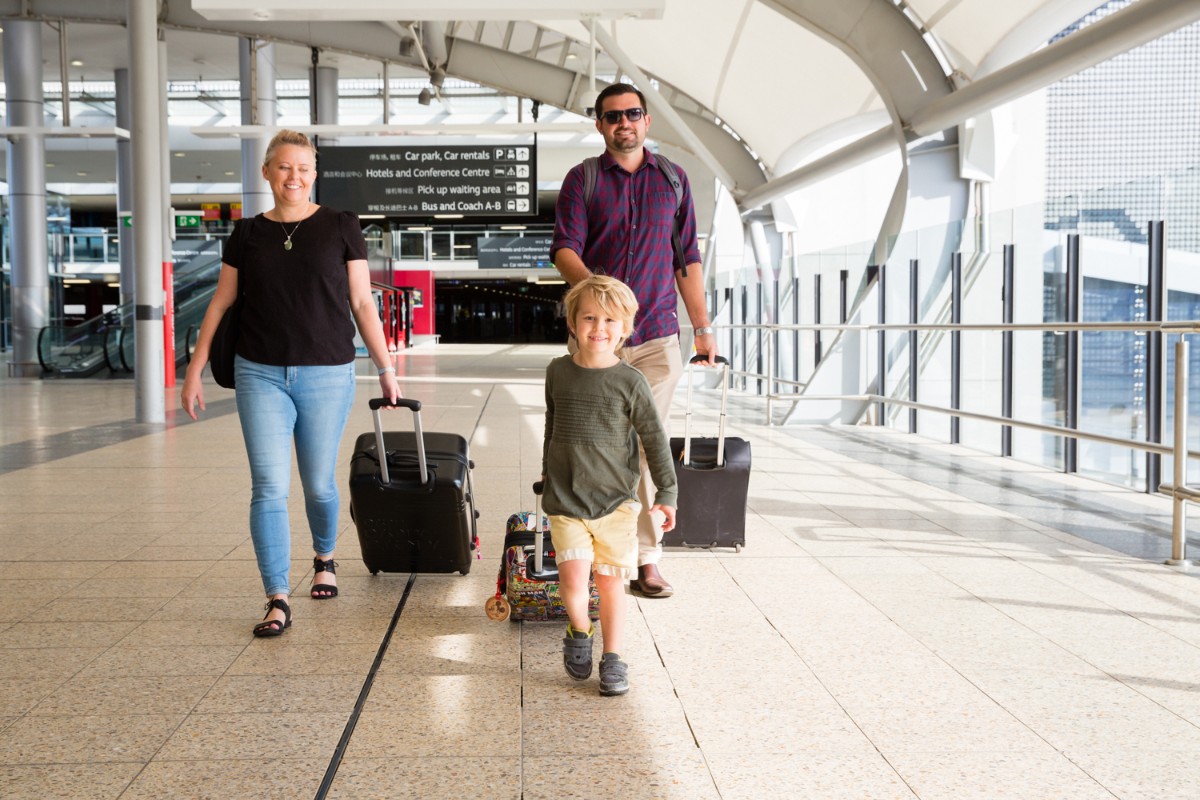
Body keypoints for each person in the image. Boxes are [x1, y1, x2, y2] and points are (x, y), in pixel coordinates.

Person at [181, 129, 400, 637]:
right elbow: (221, 302)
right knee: (268, 487)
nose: (293, 176)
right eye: (283, 167)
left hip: (327, 371)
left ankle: (325, 556)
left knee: (319, 485)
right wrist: (194, 370)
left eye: (303, 168)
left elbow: (363, 303)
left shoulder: (341, 226)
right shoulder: (247, 233)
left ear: (315, 173)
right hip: (258, 371)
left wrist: (386, 368)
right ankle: (277, 595)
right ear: (267, 172)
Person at [551, 81, 716, 599]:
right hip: (598, 341)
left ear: (647, 122)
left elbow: (686, 258)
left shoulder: (673, 180)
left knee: (645, 444)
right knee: (592, 445)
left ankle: (646, 557)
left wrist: (703, 329)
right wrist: (600, 300)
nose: (624, 123)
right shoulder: (584, 180)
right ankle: (590, 541)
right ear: (600, 125)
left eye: (633, 114)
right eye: (613, 116)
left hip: (656, 340)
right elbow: (564, 250)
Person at [542, 275, 677, 696]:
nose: (598, 328)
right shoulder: (558, 372)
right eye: (589, 318)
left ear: (625, 329)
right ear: (572, 322)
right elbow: (552, 424)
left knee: (610, 582)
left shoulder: (630, 381)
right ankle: (580, 631)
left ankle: (613, 656)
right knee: (572, 580)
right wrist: (548, 471)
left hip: (617, 502)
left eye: (609, 321)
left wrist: (667, 494)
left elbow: (654, 439)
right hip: (566, 499)